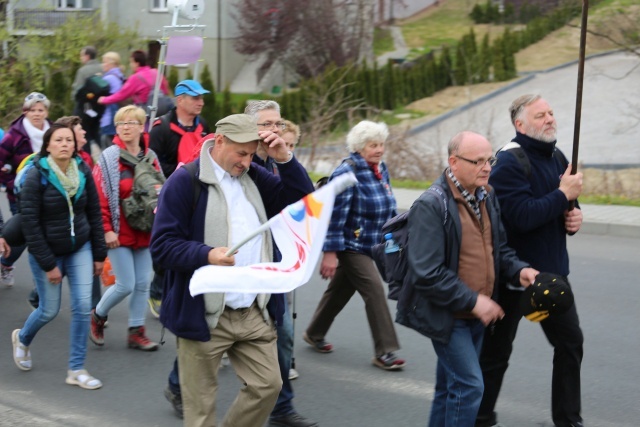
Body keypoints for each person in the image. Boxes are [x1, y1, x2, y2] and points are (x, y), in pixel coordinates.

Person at [150, 113, 313, 427]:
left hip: (253, 309)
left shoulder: (253, 176)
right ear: (219, 141)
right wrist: (207, 254)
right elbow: (162, 245)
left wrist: (285, 159)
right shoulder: (185, 181)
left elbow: (302, 205)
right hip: (205, 312)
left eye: (253, 154)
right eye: (241, 153)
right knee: (200, 412)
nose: (247, 161)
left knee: (269, 386)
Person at [398, 130, 538, 426]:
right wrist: (475, 301)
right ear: (454, 162)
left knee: (449, 388)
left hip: (476, 314)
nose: (487, 167)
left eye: (490, 160)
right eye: (478, 161)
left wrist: (519, 269)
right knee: (470, 386)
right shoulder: (431, 205)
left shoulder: (487, 195)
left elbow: (498, 249)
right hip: (449, 314)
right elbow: (427, 273)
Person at [476, 95, 585, 427]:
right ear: (520, 125)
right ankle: (479, 419)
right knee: (496, 356)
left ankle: (568, 421)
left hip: (550, 281)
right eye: (540, 116)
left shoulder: (558, 157)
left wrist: (576, 215)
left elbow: (566, 205)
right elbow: (521, 217)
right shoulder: (508, 162)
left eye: (551, 113)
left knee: (569, 344)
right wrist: (562, 195)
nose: (550, 119)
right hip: (514, 280)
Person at [304, 120, 406, 371]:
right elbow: (335, 216)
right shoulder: (347, 173)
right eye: (373, 145)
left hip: (372, 242)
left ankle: (314, 332)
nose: (379, 149)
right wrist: (330, 253)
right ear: (359, 147)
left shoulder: (380, 168)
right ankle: (385, 352)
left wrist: (393, 236)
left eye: (381, 144)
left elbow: (389, 205)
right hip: (351, 244)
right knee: (374, 290)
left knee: (339, 290)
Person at [11, 123, 107, 389]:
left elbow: (94, 215)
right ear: (48, 145)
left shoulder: (83, 170)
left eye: (69, 140)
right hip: (48, 252)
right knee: (49, 310)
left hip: (81, 248)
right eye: (59, 140)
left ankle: (76, 369)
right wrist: (48, 264)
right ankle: (23, 338)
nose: (65, 144)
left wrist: (99, 254)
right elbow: (29, 223)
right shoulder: (36, 175)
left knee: (81, 308)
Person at [245, 100, 317, 427]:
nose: (275, 130)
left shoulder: (279, 161)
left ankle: (282, 408)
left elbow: (305, 198)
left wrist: (286, 158)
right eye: (267, 124)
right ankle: (179, 384)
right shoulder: (238, 160)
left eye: (278, 123)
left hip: (272, 263)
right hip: (237, 262)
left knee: (283, 333)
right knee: (212, 333)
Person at [90, 105, 161, 352]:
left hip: (145, 230)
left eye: (132, 123)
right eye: (121, 123)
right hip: (119, 231)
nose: (126, 127)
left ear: (142, 127)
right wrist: (107, 229)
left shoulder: (151, 157)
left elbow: (161, 191)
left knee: (143, 283)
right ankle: (98, 315)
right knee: (126, 284)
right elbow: (99, 196)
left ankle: (136, 332)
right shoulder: (110, 157)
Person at [0, 92, 52, 289]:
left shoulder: (53, 132)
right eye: (32, 110)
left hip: (48, 195)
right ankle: (6, 262)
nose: (37, 114)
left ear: (46, 112)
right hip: (20, 195)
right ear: (25, 111)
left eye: (41, 110)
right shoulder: (14, 135)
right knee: (24, 235)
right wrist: (10, 181)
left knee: (42, 236)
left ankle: (41, 287)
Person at [97, 50, 170, 124]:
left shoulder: (135, 78)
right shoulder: (156, 72)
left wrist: (104, 100)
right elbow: (166, 90)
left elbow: (121, 95)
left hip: (144, 113)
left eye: (131, 62)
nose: (130, 65)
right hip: (161, 111)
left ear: (137, 63)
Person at [71, 46, 104, 148]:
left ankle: (87, 159)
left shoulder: (83, 71)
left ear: (87, 56)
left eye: (82, 55)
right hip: (100, 106)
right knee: (97, 133)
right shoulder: (103, 68)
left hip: (85, 107)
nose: (81, 58)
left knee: (84, 134)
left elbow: (77, 89)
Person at [99, 51, 125, 149]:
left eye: (104, 62)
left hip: (109, 118)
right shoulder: (119, 76)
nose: (103, 65)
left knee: (107, 147)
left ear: (112, 63)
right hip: (116, 114)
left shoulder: (109, 78)